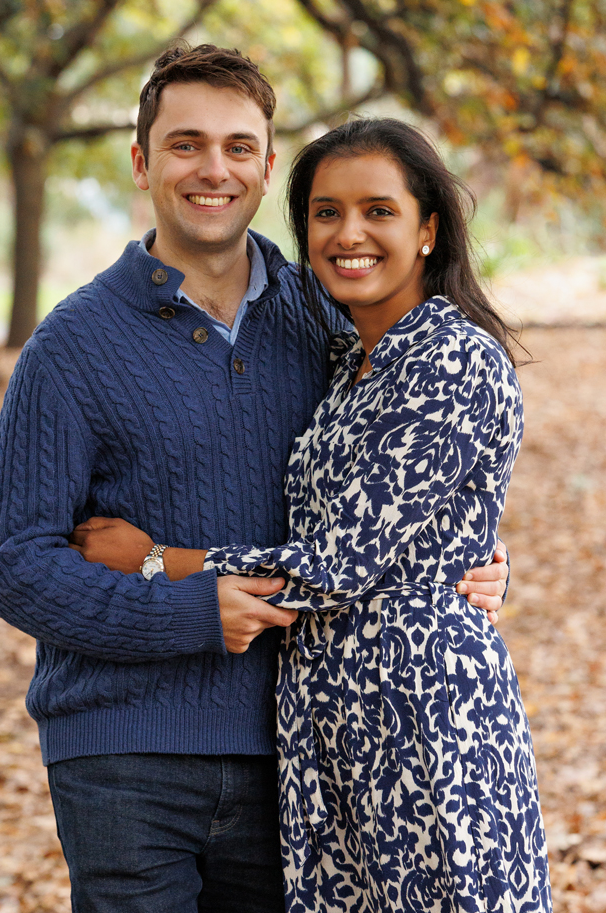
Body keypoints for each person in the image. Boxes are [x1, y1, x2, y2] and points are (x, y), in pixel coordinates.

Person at [0, 45, 509, 912]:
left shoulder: (326, 317)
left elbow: (392, 476)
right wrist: (188, 606)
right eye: (185, 145)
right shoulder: (69, 347)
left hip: (300, 748)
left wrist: (469, 559)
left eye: (236, 147)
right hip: (123, 752)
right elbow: (14, 566)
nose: (211, 169)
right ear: (144, 162)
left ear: (266, 169)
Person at [80, 118, 551, 912]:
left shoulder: (453, 358)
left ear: (428, 229)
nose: (348, 233)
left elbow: (338, 562)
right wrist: (467, 554)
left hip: (422, 716)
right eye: (326, 213)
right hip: (324, 721)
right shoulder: (348, 359)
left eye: (378, 210)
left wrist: (160, 559)